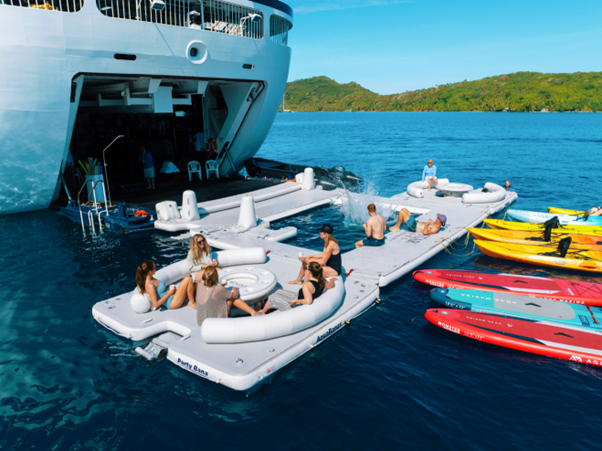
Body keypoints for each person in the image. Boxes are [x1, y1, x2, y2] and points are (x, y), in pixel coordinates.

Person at [196, 266, 263, 326]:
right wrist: (235, 289)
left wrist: (221, 286)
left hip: (202, 321)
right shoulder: (218, 289)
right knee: (231, 297)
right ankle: (253, 312)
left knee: (224, 296)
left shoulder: (200, 285)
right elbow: (235, 295)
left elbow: (211, 292)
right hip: (216, 321)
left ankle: (253, 312)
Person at [261, 262, 327, 313]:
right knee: (278, 291)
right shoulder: (321, 280)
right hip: (298, 297)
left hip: (297, 306)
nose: (305, 270)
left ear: (309, 272)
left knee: (272, 297)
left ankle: (263, 312)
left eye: (306, 268)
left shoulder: (307, 285)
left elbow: (308, 301)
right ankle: (267, 307)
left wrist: (295, 301)